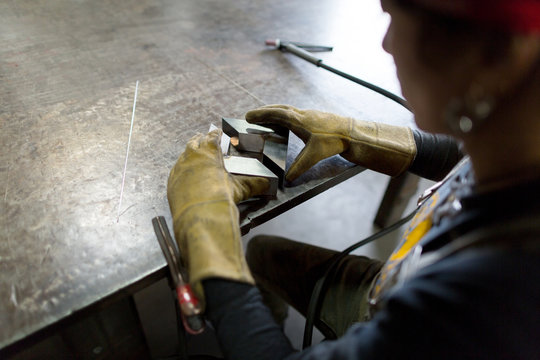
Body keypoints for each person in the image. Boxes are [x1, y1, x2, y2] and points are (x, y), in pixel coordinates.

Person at [166, 0, 540, 358]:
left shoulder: (484, 304)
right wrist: (356, 134)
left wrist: (205, 219)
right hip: (400, 279)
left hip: (403, 318)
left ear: (496, 56)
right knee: (263, 254)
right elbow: (474, 158)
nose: (386, 43)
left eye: (393, 17)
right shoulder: (522, 141)